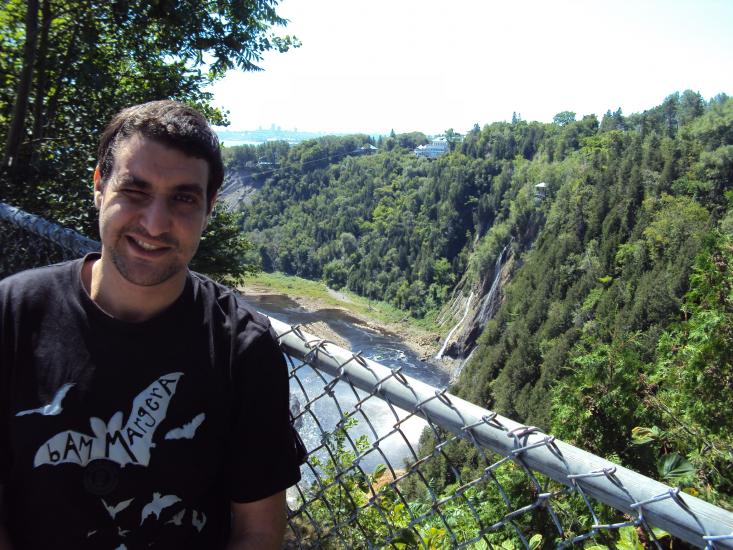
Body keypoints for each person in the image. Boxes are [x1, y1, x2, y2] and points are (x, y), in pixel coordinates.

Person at [0, 100, 303, 549]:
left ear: (209, 208)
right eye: (135, 190)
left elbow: (256, 531)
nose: (156, 224)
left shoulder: (242, 349)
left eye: (183, 198)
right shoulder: (13, 314)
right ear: (99, 186)